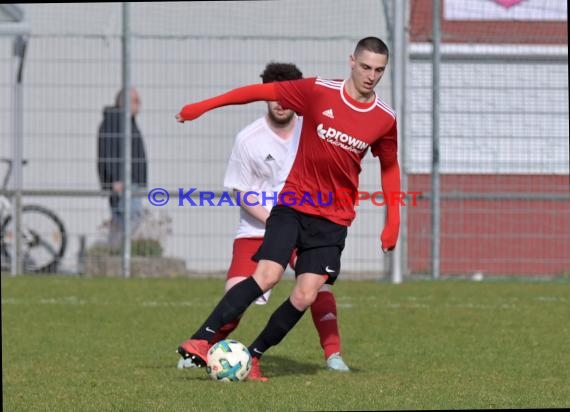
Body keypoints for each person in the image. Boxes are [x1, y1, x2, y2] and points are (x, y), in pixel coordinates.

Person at [175, 37, 400, 381]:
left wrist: (393, 221)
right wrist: (202, 107)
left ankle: (253, 356)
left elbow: (389, 166)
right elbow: (256, 93)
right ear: (352, 61)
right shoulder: (318, 91)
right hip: (293, 204)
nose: (371, 76)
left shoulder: (384, 118)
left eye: (379, 70)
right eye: (366, 67)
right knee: (267, 275)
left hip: (334, 218)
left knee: (307, 293)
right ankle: (202, 339)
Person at [176, 62, 350, 372]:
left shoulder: (316, 130)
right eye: (275, 96)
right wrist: (274, 219)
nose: (282, 103)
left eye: (289, 96)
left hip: (306, 223)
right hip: (257, 227)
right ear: (266, 97)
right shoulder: (248, 139)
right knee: (237, 290)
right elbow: (240, 191)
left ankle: (333, 355)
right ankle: (200, 349)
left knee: (318, 288)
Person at [97, 87, 147, 247]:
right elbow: (109, 151)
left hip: (132, 183)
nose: (139, 104)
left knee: (126, 223)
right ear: (122, 102)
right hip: (124, 183)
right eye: (135, 100)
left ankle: (116, 257)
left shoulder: (127, 122)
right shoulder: (114, 120)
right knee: (127, 223)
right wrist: (116, 178)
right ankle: (117, 257)